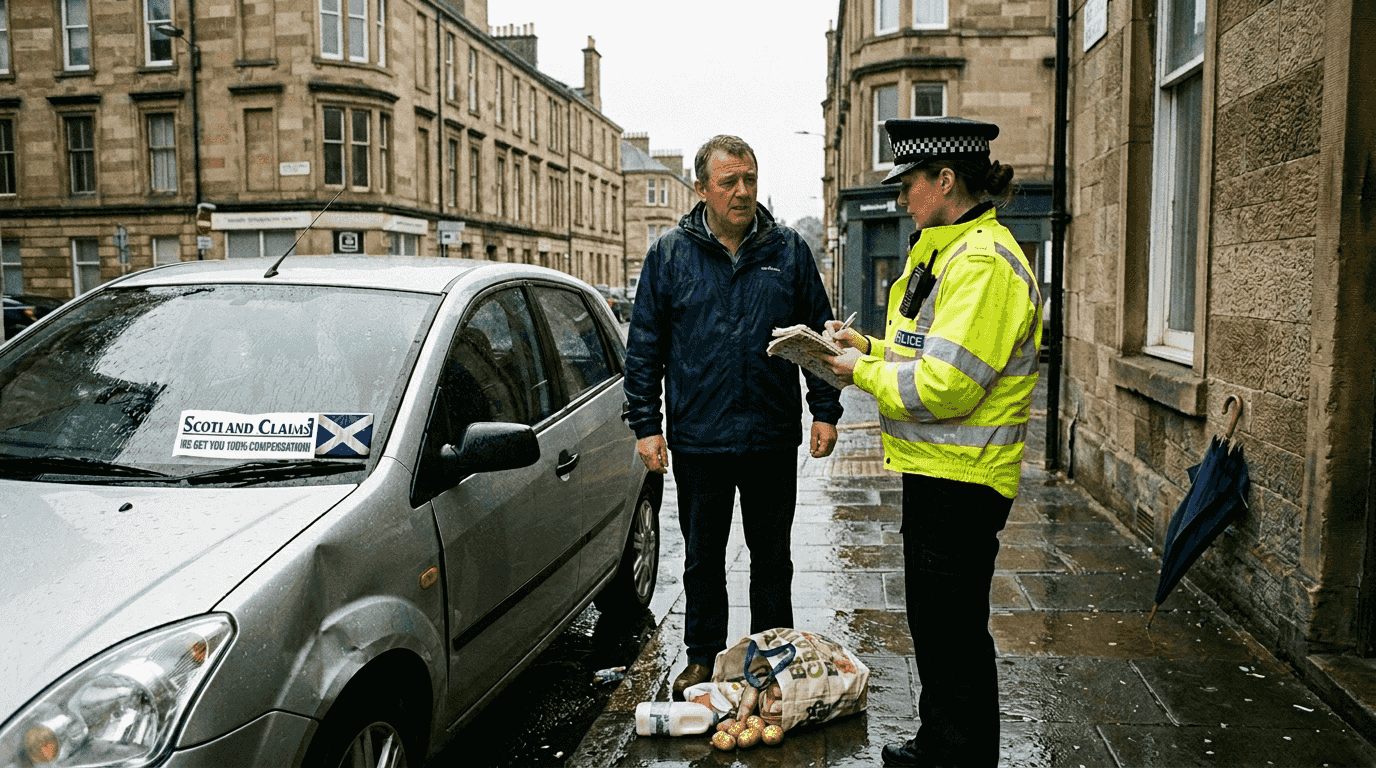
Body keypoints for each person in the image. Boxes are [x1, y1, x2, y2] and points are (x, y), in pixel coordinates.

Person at [823, 117, 1041, 768]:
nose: (900, 199)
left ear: (946, 181)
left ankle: (961, 756)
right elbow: (926, 350)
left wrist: (858, 372)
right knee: (936, 628)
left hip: (965, 480)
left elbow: (946, 386)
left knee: (954, 633)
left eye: (908, 184)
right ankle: (939, 742)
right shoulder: (951, 250)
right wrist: (870, 347)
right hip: (939, 472)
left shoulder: (983, 263)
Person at [624, 134, 843, 699]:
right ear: (702, 189)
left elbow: (822, 338)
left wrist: (825, 412)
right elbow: (645, 345)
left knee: (772, 558)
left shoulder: (788, 250)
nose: (743, 191)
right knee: (703, 560)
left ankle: (770, 656)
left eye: (749, 179)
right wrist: (647, 425)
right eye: (729, 182)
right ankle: (702, 657)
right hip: (699, 438)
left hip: (770, 435)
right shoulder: (669, 254)